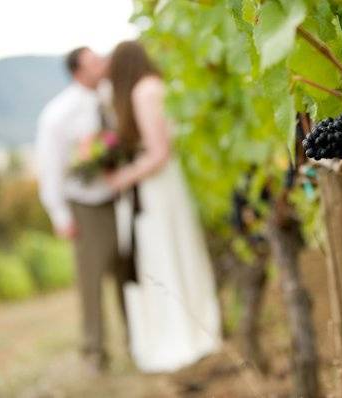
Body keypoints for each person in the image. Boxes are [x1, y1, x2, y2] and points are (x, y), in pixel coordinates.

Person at [106, 40, 222, 372]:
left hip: (157, 189)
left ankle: (180, 332)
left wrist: (122, 178)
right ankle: (185, 325)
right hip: (158, 187)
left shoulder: (144, 91)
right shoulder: (150, 86)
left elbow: (159, 153)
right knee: (168, 252)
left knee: (165, 254)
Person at [36, 47, 133, 372]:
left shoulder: (112, 96)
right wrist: (60, 215)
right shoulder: (58, 113)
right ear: (78, 71)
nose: (102, 64)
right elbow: (51, 168)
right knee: (91, 280)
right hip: (87, 205)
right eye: (94, 62)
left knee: (128, 272)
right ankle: (95, 352)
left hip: (125, 196)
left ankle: (136, 339)